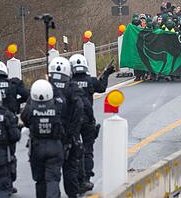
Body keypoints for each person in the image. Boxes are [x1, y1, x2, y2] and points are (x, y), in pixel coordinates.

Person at [69, 54, 114, 192]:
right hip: (88, 118)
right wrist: (106, 74)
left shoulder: (69, 83)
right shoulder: (91, 80)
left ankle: (78, 178)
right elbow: (102, 88)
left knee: (74, 150)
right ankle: (87, 178)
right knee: (88, 149)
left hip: (73, 120)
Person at [0, 61, 29, 193]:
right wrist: (17, 102)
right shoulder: (13, 84)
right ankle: (9, 183)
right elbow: (28, 95)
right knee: (10, 153)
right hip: (10, 123)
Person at [48, 57, 85, 198]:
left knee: (51, 172)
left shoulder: (45, 87)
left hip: (50, 137)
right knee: (70, 168)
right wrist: (73, 134)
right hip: (68, 136)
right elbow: (81, 108)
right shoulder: (72, 88)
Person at [21, 79, 65, 198]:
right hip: (55, 146)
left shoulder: (30, 109)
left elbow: (24, 118)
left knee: (40, 181)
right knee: (53, 179)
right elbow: (62, 100)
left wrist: (31, 100)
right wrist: (53, 85)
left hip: (37, 147)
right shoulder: (56, 107)